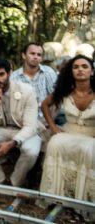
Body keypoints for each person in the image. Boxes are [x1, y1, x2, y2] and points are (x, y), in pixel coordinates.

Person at [0, 58, 43, 187]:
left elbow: (30, 125)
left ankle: (14, 182)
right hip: (2, 129)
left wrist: (12, 143)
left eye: (1, 74)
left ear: (9, 73)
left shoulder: (27, 90)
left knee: (31, 151)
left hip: (25, 130)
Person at [40, 55, 94, 201]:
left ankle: (84, 200)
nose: (80, 70)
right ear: (71, 72)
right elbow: (44, 105)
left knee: (88, 150)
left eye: (84, 66)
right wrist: (53, 127)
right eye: (75, 67)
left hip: (91, 135)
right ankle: (55, 196)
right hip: (68, 131)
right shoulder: (64, 90)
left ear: (92, 71)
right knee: (55, 143)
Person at [11, 42, 57, 123]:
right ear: (24, 55)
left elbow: (57, 99)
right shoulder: (14, 77)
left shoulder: (48, 72)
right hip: (23, 121)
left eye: (39, 55)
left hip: (47, 119)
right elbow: (13, 105)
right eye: (32, 53)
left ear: (42, 58)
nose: (35, 57)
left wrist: (49, 122)